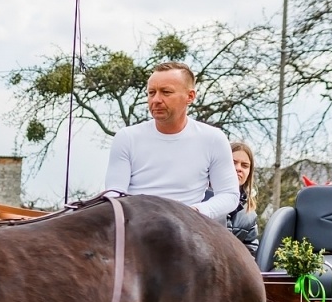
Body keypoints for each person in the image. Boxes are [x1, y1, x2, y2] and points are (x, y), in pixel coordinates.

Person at [103, 61, 239, 219]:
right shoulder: (126, 137)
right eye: (151, 93)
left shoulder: (213, 139)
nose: (156, 100)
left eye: (166, 92)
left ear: (190, 96)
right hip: (134, 226)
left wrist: (195, 212)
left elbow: (229, 195)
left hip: (186, 229)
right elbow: (114, 193)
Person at [227, 140, 259, 255]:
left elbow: (250, 253)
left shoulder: (249, 214)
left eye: (244, 165)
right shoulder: (201, 198)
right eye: (233, 163)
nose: (238, 168)